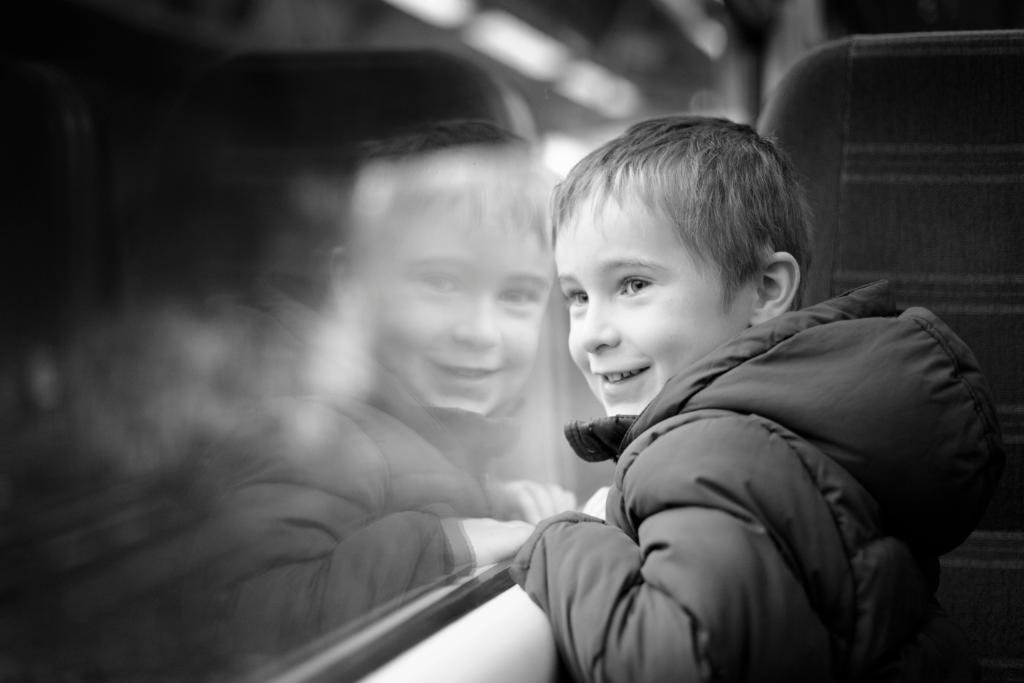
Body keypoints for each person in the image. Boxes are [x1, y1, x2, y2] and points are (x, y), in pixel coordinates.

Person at [510, 115, 1005, 682]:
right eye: (576, 296)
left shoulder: (710, 451)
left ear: (766, 290)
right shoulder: (783, 435)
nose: (591, 332)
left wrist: (557, 538)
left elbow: (674, 664)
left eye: (633, 285)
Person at [180, 119, 576, 673]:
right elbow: (252, 613)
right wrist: (447, 545)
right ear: (351, 286)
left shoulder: (428, 433)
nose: (480, 331)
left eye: (517, 295)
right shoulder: (308, 438)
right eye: (442, 282)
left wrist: (492, 501)